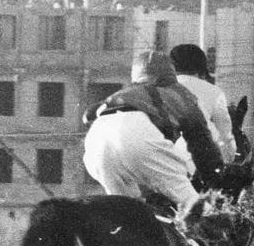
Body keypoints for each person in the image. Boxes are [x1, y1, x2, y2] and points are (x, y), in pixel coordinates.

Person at [82, 49, 226, 217]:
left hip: (96, 142)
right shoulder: (180, 93)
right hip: (136, 134)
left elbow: (87, 116)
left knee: (130, 215)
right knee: (197, 208)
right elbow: (202, 144)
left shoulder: (123, 93)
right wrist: (215, 179)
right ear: (170, 73)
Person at [169, 44, 237, 172]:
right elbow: (224, 134)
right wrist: (228, 159)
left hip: (161, 160)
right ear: (201, 66)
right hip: (198, 163)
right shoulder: (214, 92)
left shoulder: (159, 89)